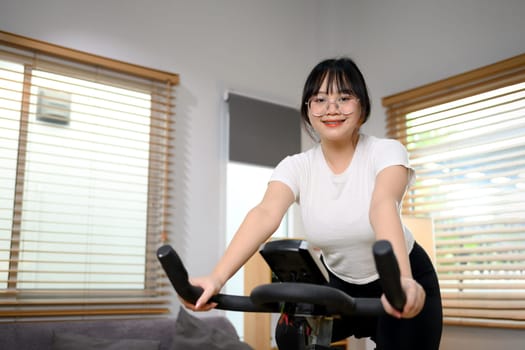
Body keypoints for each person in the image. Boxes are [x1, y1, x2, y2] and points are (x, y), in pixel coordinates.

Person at [183, 57, 443, 350]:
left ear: (362, 107)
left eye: (344, 98)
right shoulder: (296, 167)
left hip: (402, 278)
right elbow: (265, 213)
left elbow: (382, 206)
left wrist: (403, 282)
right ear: (308, 109)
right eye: (319, 99)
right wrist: (216, 279)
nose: (332, 108)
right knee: (290, 335)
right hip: (342, 283)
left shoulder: (386, 152)